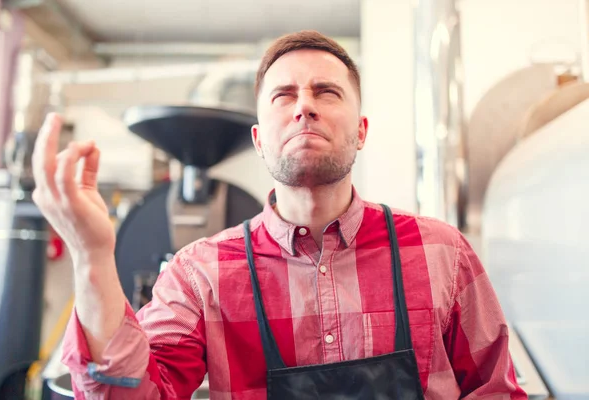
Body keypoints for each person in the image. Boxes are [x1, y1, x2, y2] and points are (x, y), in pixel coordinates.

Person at [32, 30, 527, 399]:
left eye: (326, 92)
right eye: (283, 95)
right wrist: (92, 256)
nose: (304, 107)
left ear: (361, 130)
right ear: (258, 139)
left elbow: (498, 392)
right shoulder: (198, 273)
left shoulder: (443, 252)